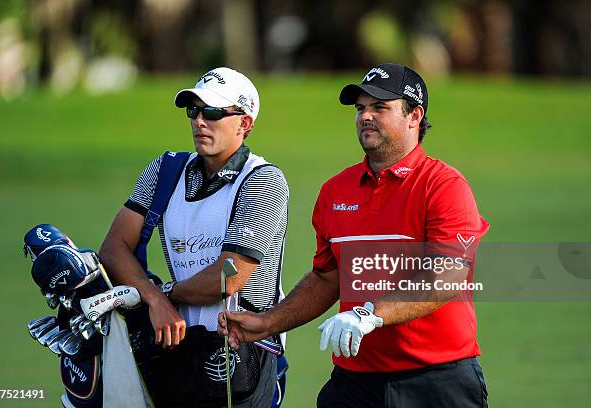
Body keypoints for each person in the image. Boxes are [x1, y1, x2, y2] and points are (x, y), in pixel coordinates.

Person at [219, 63, 490, 407]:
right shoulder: (335, 191)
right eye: (361, 108)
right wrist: (268, 322)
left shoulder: (443, 186)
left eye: (380, 107)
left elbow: (448, 275)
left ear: (414, 115)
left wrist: (369, 314)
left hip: (436, 381)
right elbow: (326, 278)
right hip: (356, 381)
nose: (365, 116)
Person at [100, 67, 289, 407]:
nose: (200, 121)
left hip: (241, 353)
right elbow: (113, 248)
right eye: (194, 110)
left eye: (214, 112)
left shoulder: (264, 181)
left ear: (244, 123)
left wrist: (167, 294)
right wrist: (155, 300)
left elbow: (228, 277)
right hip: (176, 344)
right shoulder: (165, 170)